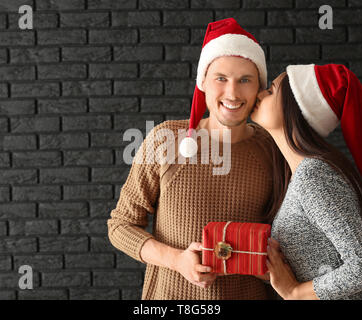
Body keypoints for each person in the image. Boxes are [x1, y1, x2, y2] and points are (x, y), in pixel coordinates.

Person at [107, 18, 280, 299]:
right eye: (221, 79)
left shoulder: (272, 150)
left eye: (245, 80)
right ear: (204, 84)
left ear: (259, 88)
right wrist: (176, 260)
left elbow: (286, 240)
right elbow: (121, 226)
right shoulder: (166, 140)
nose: (233, 93)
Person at [250, 63, 362, 300]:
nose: (260, 93)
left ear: (295, 106)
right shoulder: (297, 177)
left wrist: (294, 292)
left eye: (272, 90)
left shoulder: (313, 175)